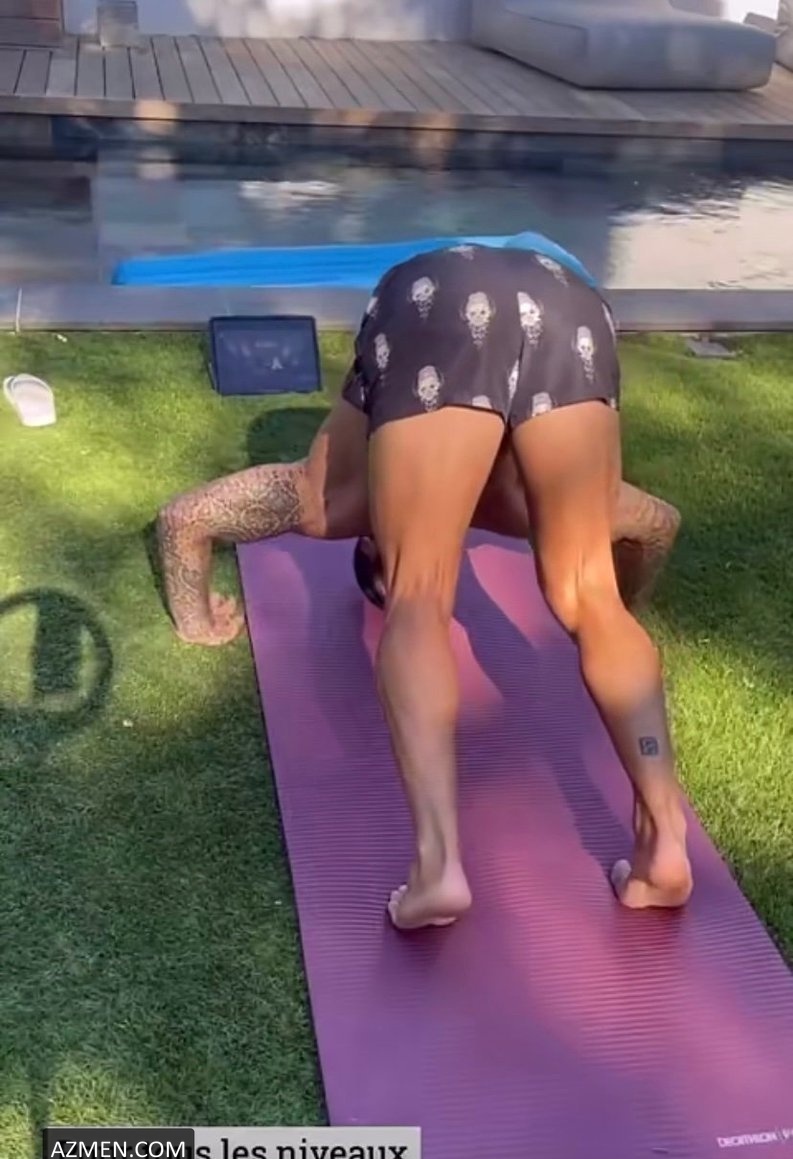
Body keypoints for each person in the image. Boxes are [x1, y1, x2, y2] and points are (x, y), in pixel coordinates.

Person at [157, 244, 693, 931]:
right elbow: (658, 526)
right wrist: (624, 611)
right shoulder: (507, 505)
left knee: (418, 596)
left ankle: (438, 868)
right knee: (592, 596)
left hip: (437, 303)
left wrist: (197, 619)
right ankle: (664, 841)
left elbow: (185, 519)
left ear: (369, 546)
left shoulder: (336, 500)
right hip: (565, 299)